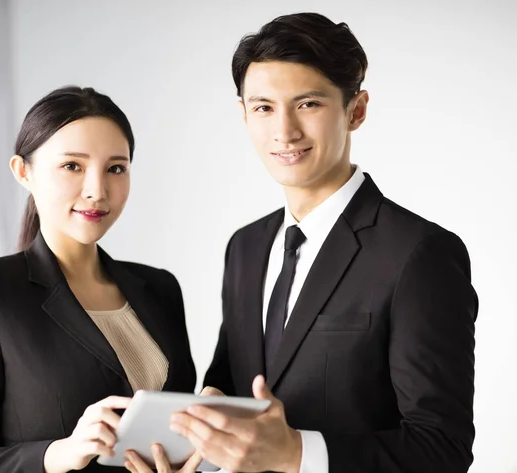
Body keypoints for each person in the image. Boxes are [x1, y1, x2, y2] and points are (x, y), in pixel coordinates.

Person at [165, 12, 478, 473]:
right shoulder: (245, 247)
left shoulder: (420, 254)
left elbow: (441, 449)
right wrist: (202, 426)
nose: (284, 131)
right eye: (264, 107)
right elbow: (232, 381)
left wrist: (296, 453)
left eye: (308, 104)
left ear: (357, 109)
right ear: (244, 114)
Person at [0, 86, 200, 473]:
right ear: (23, 172)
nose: (97, 190)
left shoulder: (160, 288)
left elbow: (174, 443)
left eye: (115, 168)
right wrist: (58, 453)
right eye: (72, 166)